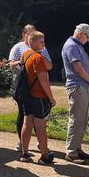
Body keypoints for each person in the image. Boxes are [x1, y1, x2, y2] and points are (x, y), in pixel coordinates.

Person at [8, 24, 53, 151]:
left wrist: (38, 55)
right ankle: (38, 150)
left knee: (28, 121)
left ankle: (26, 152)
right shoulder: (19, 48)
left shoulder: (39, 51)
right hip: (27, 89)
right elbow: (11, 65)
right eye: (30, 33)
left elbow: (49, 66)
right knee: (32, 120)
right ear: (25, 35)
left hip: (30, 90)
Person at [61, 23, 89, 164]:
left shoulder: (77, 46)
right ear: (81, 33)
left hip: (82, 85)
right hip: (77, 86)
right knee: (77, 119)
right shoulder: (72, 45)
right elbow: (78, 69)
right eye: (88, 37)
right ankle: (71, 152)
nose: (88, 40)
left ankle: (77, 148)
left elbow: (83, 67)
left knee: (82, 120)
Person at [18, 32, 56, 165]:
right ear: (32, 42)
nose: (43, 44)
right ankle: (45, 156)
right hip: (38, 96)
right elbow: (43, 80)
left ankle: (24, 153)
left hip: (26, 95)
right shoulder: (38, 58)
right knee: (41, 126)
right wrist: (51, 98)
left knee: (27, 123)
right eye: (41, 42)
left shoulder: (25, 55)